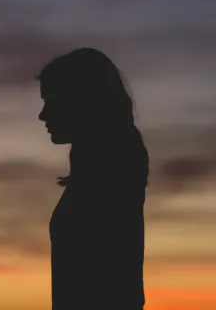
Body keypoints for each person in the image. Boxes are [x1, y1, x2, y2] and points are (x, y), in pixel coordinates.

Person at [37, 47, 149, 309]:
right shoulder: (105, 169)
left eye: (50, 101)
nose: (42, 115)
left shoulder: (110, 172)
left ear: (80, 100)